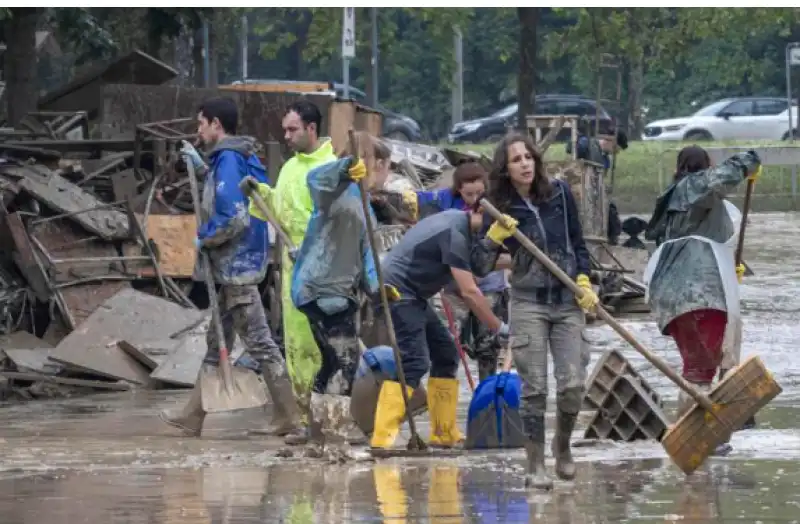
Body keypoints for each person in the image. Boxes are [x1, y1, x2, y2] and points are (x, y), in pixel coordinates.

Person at [159, 97, 300, 436]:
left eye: (201, 124)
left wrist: (205, 238)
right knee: (215, 340)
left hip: (236, 268)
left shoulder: (230, 161)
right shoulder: (233, 158)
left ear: (216, 125)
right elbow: (230, 195)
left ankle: (290, 418)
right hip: (235, 265)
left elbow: (233, 217)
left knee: (260, 342)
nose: (198, 130)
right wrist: (203, 170)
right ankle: (193, 415)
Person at [475, 132, 598, 490]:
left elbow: (577, 243)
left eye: (528, 157)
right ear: (506, 168)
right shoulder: (497, 206)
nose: (525, 163)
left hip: (567, 300)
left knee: (573, 383)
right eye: (516, 159)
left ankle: (563, 446)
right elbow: (480, 265)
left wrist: (586, 281)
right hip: (529, 301)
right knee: (535, 389)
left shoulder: (559, 194)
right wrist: (495, 236)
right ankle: (535, 463)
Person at [249, 131, 385, 455]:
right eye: (382, 166)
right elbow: (317, 180)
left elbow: (368, 257)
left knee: (329, 363)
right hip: (324, 291)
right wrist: (342, 170)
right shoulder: (334, 192)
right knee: (345, 362)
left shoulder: (363, 207)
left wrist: (379, 289)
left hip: (331, 292)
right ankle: (334, 439)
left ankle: (319, 435)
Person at [644, 146, 761, 449]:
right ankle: (693, 440)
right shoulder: (692, 186)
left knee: (697, 366)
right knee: (699, 370)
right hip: (698, 294)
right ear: (703, 166)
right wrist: (750, 161)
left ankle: (701, 436)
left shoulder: (674, 200)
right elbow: (723, 176)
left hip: (677, 294)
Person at [370, 206, 510, 450]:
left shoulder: (462, 229)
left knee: (446, 354)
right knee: (414, 361)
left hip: (415, 295)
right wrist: (498, 327)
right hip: (396, 292)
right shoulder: (453, 231)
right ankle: (382, 438)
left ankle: (443, 433)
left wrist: (497, 247)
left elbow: (476, 269)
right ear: (477, 211)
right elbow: (469, 290)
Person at [249, 100, 337, 444]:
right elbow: (280, 211)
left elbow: (338, 223)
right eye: (285, 129)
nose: (285, 136)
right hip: (291, 270)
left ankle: (325, 421)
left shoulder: (329, 169)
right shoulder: (290, 168)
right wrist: (262, 195)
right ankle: (304, 419)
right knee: (297, 347)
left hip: (321, 273)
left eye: (292, 129)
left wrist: (314, 248)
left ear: (311, 129)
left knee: (319, 348)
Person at [415, 161, 510, 381]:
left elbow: (509, 254)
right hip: (455, 288)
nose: (475, 198)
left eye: (480, 192)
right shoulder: (447, 205)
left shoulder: (498, 208)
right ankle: (443, 394)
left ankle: (487, 396)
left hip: (489, 286)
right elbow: (415, 202)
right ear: (458, 189)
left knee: (489, 346)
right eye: (469, 194)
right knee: (448, 343)